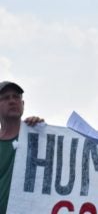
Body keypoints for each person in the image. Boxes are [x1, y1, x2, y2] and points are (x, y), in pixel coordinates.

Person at [0, 81, 44, 214]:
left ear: (23, 104)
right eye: (6, 98)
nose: (12, 101)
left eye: (16, 96)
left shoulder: (39, 137)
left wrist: (41, 132)